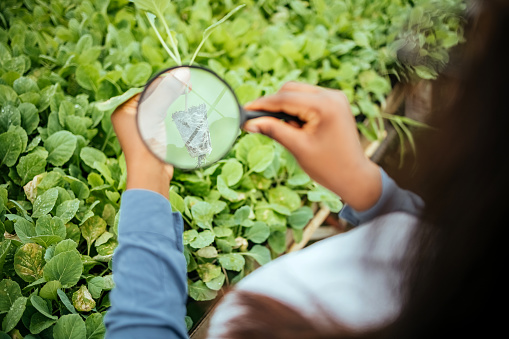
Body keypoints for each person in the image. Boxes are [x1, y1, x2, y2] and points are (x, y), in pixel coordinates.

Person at [104, 0, 508, 338]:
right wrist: (367, 187)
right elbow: (436, 236)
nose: (432, 82)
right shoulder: (469, 249)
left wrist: (147, 179)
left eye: (464, 61)